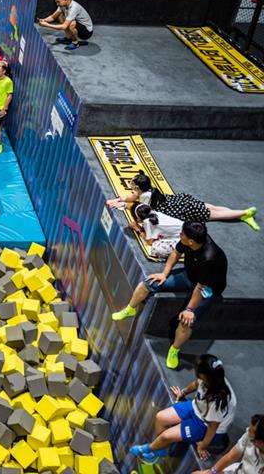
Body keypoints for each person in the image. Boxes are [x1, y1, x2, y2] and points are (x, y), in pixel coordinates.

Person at [112, 222, 227, 369]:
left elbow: (200, 288)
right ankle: (130, 309)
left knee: (186, 321)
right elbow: (175, 253)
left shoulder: (209, 258)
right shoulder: (190, 239)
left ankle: (174, 349)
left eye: (182, 235)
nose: (180, 235)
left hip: (208, 287)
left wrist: (190, 310)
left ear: (191, 242)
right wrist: (164, 274)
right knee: (148, 283)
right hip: (190, 275)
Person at [131, 354, 236, 463]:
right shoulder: (209, 377)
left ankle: (150, 449)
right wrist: (183, 392)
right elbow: (196, 384)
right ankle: (160, 448)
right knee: (160, 417)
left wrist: (202, 446)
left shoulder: (219, 401)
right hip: (196, 408)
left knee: (165, 436)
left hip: (205, 425)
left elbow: (212, 428)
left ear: (204, 375)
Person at [107, 171, 259, 231]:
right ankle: (241, 214)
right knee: (212, 207)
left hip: (178, 209)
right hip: (177, 201)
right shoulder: (144, 191)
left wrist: (124, 206)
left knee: (213, 214)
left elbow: (144, 211)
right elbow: (131, 198)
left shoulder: (146, 196)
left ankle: (244, 213)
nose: (130, 183)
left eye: (133, 183)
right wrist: (120, 200)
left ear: (138, 186)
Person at [192, 414, 264, 474]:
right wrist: (211, 472)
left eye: (251, 431)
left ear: (261, 442)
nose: (248, 431)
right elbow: (231, 456)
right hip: (238, 470)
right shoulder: (249, 434)